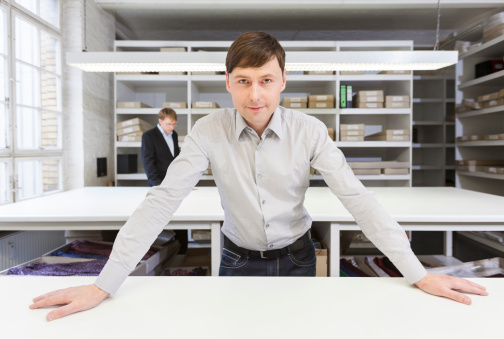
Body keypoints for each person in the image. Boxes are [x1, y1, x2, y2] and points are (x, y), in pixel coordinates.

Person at [30, 31, 488, 322]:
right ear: (227, 81)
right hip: (234, 258)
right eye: (244, 80)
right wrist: (102, 284)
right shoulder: (208, 131)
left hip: (298, 257)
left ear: (283, 81)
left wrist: (416, 273)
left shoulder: (309, 130)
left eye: (266, 80)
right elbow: (162, 201)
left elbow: (358, 198)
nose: (255, 94)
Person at [141, 108, 187, 252]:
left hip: (175, 185)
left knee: (180, 218)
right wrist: (160, 186)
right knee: (159, 221)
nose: (171, 127)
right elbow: (148, 163)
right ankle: (159, 252)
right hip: (158, 186)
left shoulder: (174, 135)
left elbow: (176, 159)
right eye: (168, 124)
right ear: (160, 121)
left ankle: (181, 251)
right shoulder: (149, 136)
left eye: (174, 124)